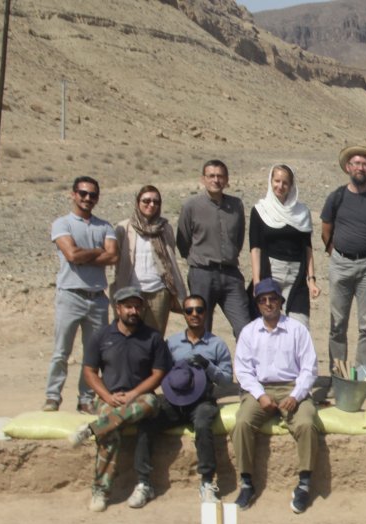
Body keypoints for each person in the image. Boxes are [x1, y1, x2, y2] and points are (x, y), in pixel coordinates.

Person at [70, 286, 171, 512]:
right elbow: (89, 371)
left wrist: (134, 393)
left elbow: (158, 373)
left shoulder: (153, 337)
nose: (133, 311)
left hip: (140, 399)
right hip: (109, 398)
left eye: (137, 306)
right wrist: (107, 396)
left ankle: (92, 429)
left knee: (152, 402)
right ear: (118, 308)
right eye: (128, 306)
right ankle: (101, 490)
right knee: (110, 432)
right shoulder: (101, 336)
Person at [131, 294, 233, 506]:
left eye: (199, 310)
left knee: (204, 424)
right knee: (147, 421)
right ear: (184, 315)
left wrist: (208, 366)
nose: (194, 314)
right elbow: (160, 371)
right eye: (189, 311)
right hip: (174, 400)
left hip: (202, 401)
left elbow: (226, 380)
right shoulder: (172, 343)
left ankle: (207, 483)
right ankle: (144, 483)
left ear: (206, 313)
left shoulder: (217, 344)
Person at [231, 278, 323, 513]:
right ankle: (246, 483)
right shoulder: (249, 332)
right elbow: (243, 370)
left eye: (273, 299)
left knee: (305, 423)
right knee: (241, 423)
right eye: (263, 300)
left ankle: (304, 484)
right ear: (258, 304)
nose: (268, 304)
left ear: (281, 302)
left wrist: (296, 394)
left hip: (292, 386)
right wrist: (261, 396)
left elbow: (309, 368)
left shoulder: (297, 330)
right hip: (259, 387)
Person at [44, 176, 118, 413]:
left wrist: (85, 253)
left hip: (97, 298)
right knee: (61, 351)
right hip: (70, 295)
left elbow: (113, 256)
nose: (87, 198)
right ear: (73, 194)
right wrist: (97, 252)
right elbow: (71, 255)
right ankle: (52, 396)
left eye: (92, 194)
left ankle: (86, 398)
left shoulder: (105, 226)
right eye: (83, 193)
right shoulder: (62, 224)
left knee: (93, 353)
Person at [320, 145, 366, 374]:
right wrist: (335, 251)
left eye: (365, 164)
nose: (360, 167)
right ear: (347, 167)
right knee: (337, 323)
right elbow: (326, 229)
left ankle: (363, 374)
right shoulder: (337, 196)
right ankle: (339, 374)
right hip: (340, 264)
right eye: (356, 163)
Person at [176, 159, 250, 339]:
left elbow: (238, 238)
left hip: (231, 274)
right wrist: (196, 258)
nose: (216, 180)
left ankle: (247, 367)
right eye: (211, 176)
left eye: (220, 176)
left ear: (226, 179)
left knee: (245, 328)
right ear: (203, 179)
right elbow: (182, 240)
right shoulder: (191, 206)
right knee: (201, 327)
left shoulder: (236, 205)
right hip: (202, 273)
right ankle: (202, 366)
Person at [249, 163, 320, 329]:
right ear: (271, 181)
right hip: (271, 272)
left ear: (291, 185)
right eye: (277, 181)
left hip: (296, 275)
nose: (280, 186)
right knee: (270, 324)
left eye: (285, 182)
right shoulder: (260, 210)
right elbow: (255, 248)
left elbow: (307, 248)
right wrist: (257, 282)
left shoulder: (302, 212)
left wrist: (311, 279)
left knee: (299, 326)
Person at [113, 184, 187, 336]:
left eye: (156, 201)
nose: (151, 205)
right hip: (131, 291)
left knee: (154, 337)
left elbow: (170, 257)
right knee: (128, 334)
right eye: (146, 201)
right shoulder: (124, 227)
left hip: (159, 291)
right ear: (137, 202)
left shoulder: (165, 228)